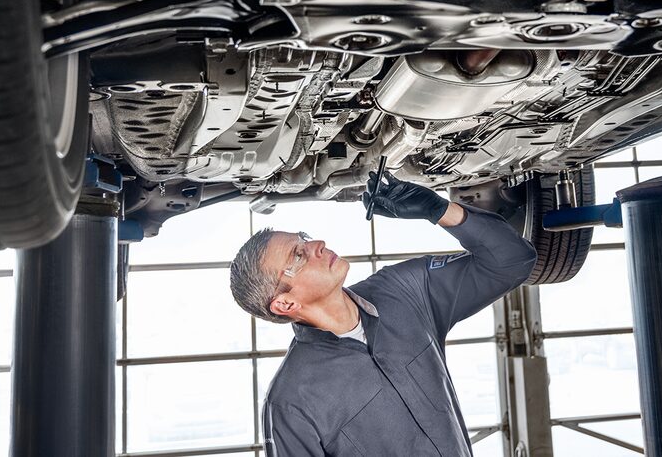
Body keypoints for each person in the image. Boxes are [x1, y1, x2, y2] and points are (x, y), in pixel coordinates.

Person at [229, 171, 537, 456]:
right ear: (285, 304)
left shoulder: (404, 289)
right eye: (298, 255)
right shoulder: (290, 402)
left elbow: (513, 262)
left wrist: (439, 210)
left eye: (304, 239)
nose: (317, 245)